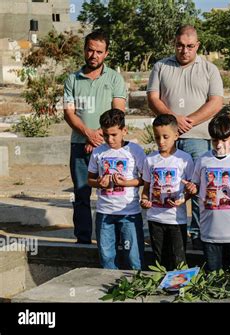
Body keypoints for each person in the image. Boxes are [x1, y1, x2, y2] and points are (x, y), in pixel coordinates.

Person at [147, 25, 224, 250]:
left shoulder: (210, 69)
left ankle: (200, 237)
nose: (185, 50)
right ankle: (171, 236)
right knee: (166, 186)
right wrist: (173, 120)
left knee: (198, 188)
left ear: (198, 46)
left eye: (190, 46)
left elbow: (216, 102)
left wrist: (187, 120)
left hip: (198, 138)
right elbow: (153, 98)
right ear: (174, 44)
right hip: (167, 140)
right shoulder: (161, 66)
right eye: (180, 45)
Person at [64, 30, 127, 244]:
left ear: (106, 53)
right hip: (79, 145)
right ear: (84, 50)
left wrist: (97, 138)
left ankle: (111, 240)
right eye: (90, 50)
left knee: (111, 191)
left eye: (99, 52)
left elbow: (118, 113)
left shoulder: (115, 79)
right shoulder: (72, 79)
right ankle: (82, 239)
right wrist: (87, 135)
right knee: (81, 194)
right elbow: (69, 113)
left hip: (109, 146)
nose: (94, 55)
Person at [183, 113, 230, 271]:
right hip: (210, 233)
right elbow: (196, 186)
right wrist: (192, 189)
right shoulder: (203, 160)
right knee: (213, 275)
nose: (218, 145)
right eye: (214, 140)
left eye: (223, 140)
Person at [87, 109, 145, 270]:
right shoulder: (98, 152)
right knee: (106, 256)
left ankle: (135, 287)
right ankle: (112, 289)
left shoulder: (135, 150)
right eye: (106, 135)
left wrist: (126, 183)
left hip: (129, 212)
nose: (110, 139)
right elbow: (89, 179)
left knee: (133, 256)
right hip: (105, 212)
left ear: (124, 131)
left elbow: (145, 179)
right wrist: (99, 183)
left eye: (114, 134)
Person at [140, 114, 194, 270]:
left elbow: (190, 189)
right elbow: (146, 190)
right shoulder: (150, 160)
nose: (161, 141)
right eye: (157, 137)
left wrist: (183, 198)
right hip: (155, 219)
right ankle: (162, 289)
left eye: (165, 137)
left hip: (177, 221)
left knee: (179, 260)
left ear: (176, 136)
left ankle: (180, 290)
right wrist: (144, 202)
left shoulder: (184, 159)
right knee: (160, 261)